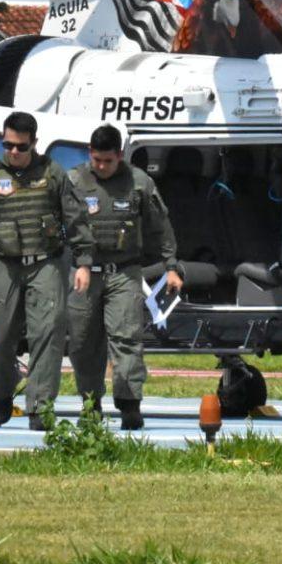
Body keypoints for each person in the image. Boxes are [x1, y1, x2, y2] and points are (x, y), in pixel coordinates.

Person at [0, 111, 93, 430]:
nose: (13, 152)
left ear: (34, 142)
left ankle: (40, 407)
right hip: (2, 266)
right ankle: (3, 393)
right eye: (7, 145)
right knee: (1, 339)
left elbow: (75, 218)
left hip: (45, 264)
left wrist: (84, 262)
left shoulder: (53, 173)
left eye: (20, 146)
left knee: (48, 335)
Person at [66, 124, 181, 430]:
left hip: (124, 273)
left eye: (108, 161)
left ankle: (130, 404)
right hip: (84, 273)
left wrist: (171, 266)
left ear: (119, 156)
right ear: (90, 154)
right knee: (83, 341)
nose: (101, 167)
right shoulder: (74, 181)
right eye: (96, 160)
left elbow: (161, 226)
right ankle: (91, 404)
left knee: (126, 337)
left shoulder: (139, 183)